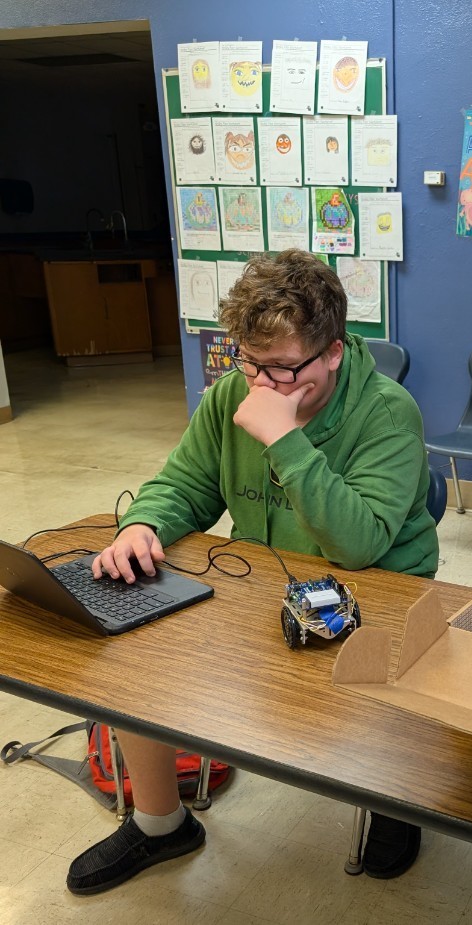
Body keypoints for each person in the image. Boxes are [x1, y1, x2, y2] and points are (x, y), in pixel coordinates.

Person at [67, 248, 437, 895]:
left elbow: (359, 544)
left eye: (284, 368)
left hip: (377, 595)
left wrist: (283, 439)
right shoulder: (230, 394)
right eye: (250, 362)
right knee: (131, 649)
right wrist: (142, 525)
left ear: (333, 351)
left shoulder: (388, 412)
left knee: (376, 709)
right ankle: (160, 823)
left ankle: (394, 796)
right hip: (266, 585)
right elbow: (184, 484)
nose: (264, 385)